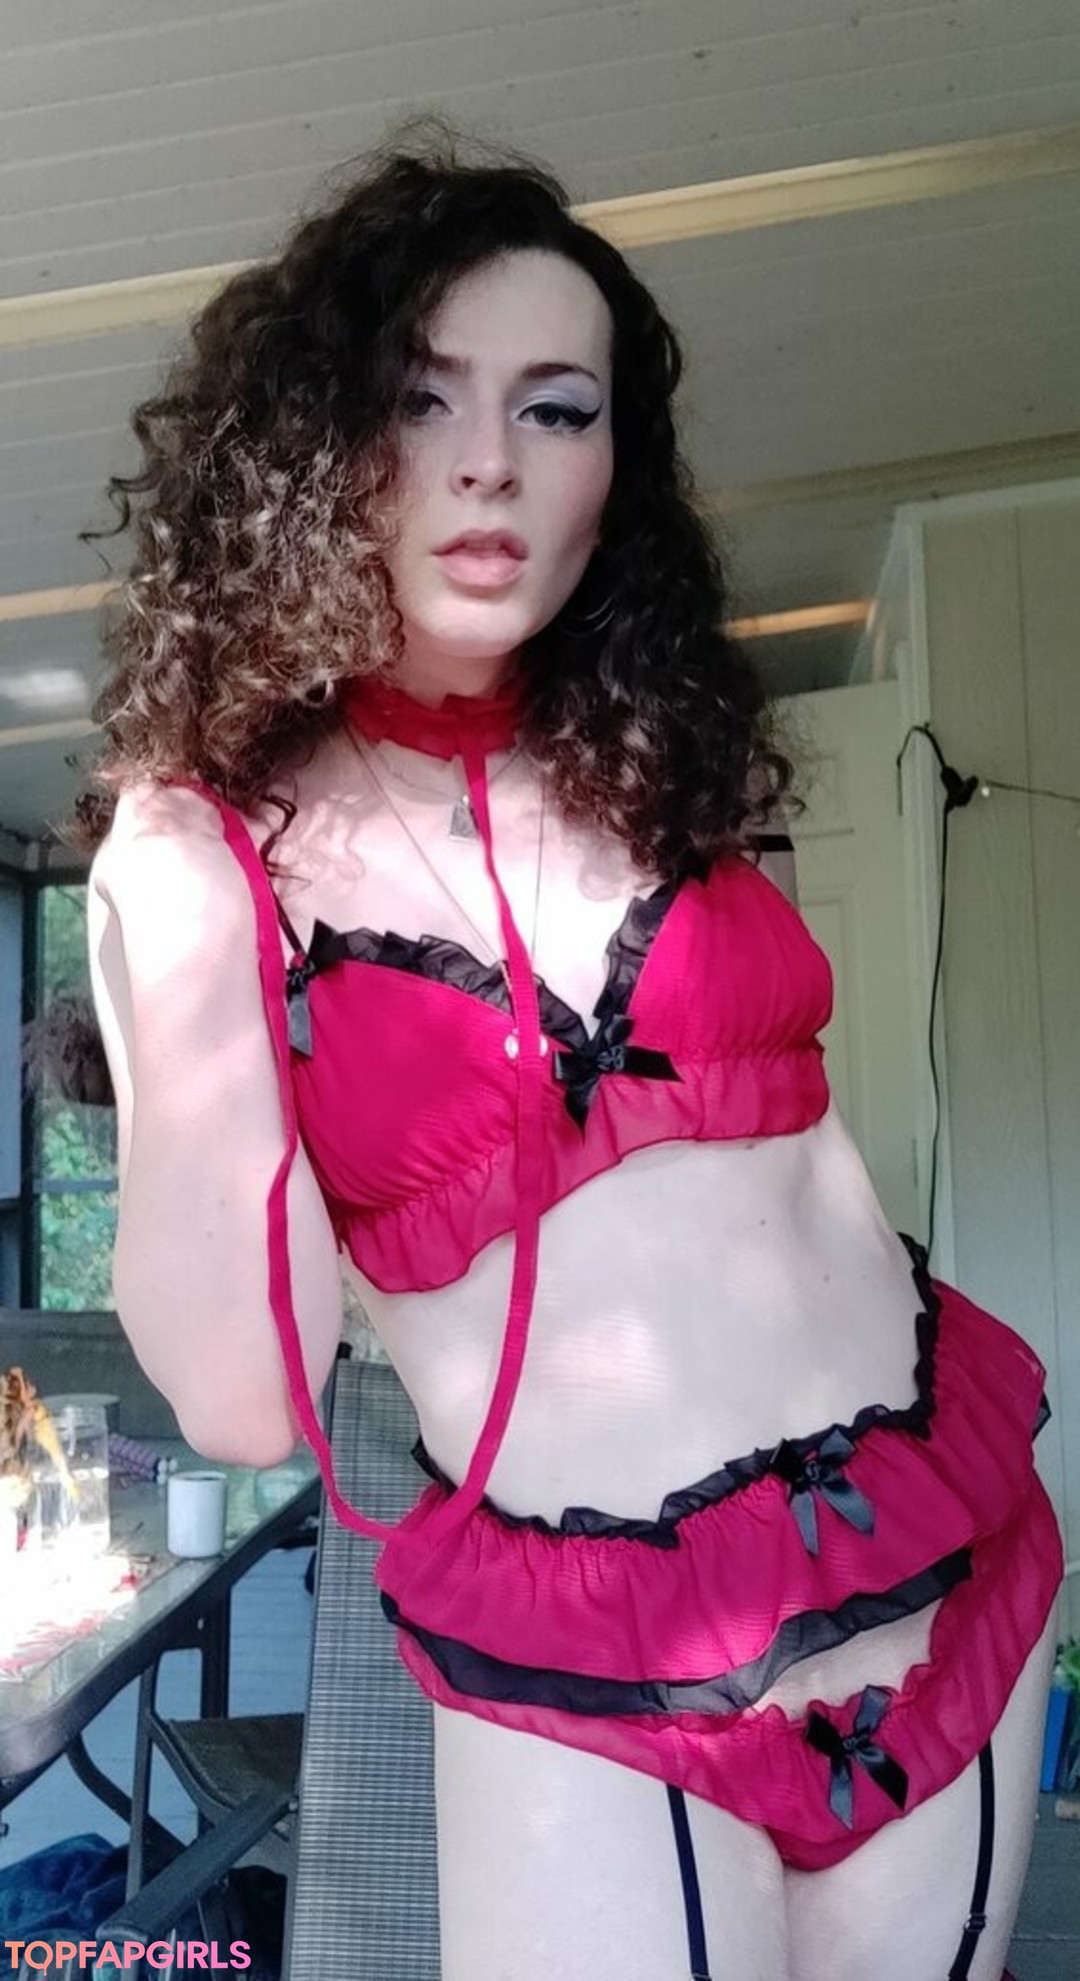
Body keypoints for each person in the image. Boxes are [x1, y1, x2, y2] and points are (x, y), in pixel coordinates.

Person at [82, 134, 1059, 1981]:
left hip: (938, 1544)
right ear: (314, 445)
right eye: (422, 396)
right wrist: (190, 922)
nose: (491, 461)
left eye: (556, 406)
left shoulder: (658, 745)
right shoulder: (216, 854)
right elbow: (244, 1403)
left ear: (616, 463)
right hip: (601, 1661)